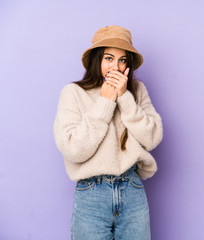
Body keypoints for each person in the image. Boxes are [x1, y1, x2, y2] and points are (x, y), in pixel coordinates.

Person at [53, 25, 163, 240]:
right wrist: (105, 101)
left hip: (132, 190)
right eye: (109, 58)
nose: (116, 66)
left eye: (123, 60)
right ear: (97, 60)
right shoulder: (74, 93)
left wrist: (124, 98)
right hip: (92, 194)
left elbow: (152, 138)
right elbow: (73, 149)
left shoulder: (137, 91)